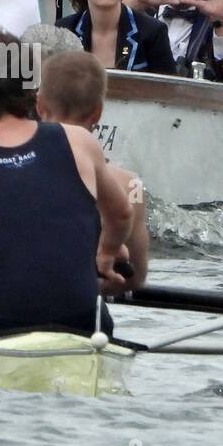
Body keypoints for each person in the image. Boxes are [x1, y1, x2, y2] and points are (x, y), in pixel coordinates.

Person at [0, 28, 134, 336]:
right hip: (85, 320)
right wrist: (107, 254)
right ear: (32, 88)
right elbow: (122, 214)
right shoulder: (78, 140)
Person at [35, 50, 149, 289]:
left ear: (39, 105)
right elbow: (135, 279)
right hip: (87, 312)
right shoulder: (131, 185)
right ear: (98, 112)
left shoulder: (12, 164)